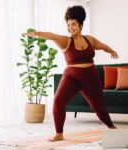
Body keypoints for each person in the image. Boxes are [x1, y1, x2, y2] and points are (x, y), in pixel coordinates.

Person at [24, 5, 118, 142]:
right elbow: (52, 36)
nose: (70, 28)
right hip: (72, 77)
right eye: (68, 25)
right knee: (58, 101)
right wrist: (37, 34)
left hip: (90, 76)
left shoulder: (89, 39)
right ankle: (59, 133)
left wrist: (112, 51)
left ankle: (111, 127)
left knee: (98, 105)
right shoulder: (66, 41)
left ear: (80, 24)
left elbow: (102, 45)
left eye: (73, 24)